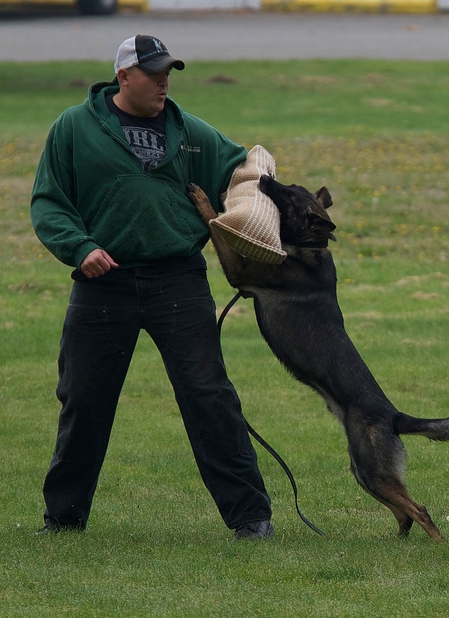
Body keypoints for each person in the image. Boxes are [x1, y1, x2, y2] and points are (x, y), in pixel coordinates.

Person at [30, 34, 273, 540]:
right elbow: (49, 202)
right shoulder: (75, 127)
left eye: (169, 72)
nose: (165, 81)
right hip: (103, 283)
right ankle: (64, 518)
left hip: (178, 279)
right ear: (123, 76)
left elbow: (244, 172)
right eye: (154, 72)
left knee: (209, 396)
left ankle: (251, 519)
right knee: (84, 398)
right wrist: (79, 248)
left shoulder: (190, 131)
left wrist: (262, 204)